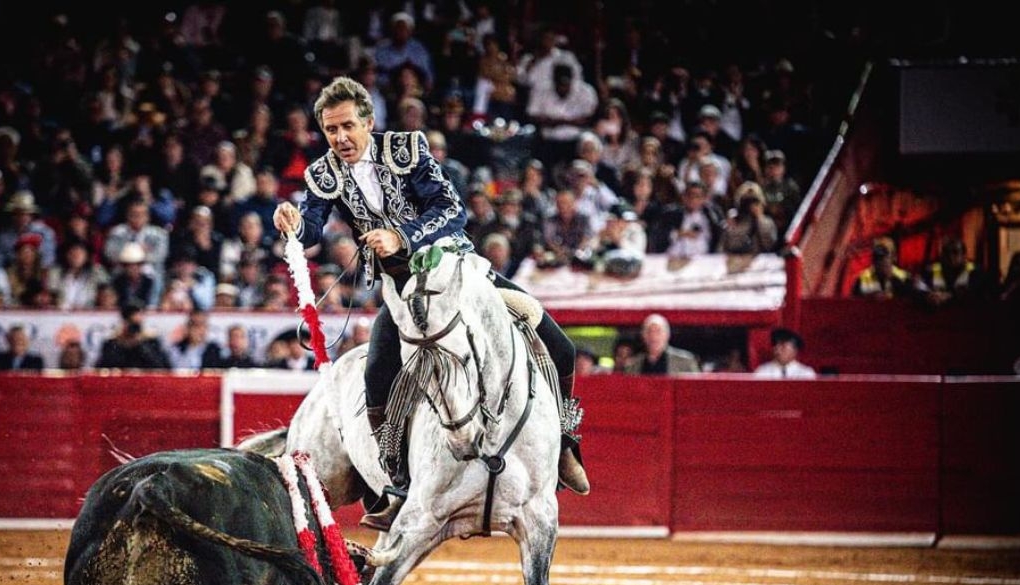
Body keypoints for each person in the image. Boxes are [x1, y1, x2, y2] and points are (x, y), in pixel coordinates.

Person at [273, 76, 588, 530]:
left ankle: (565, 444)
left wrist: (400, 236)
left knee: (559, 346)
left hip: (456, 275)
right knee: (377, 374)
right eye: (330, 130)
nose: (340, 138)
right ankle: (398, 484)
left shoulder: (406, 149)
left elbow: (451, 210)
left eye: (347, 127)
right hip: (400, 292)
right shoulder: (323, 173)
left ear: (368, 122)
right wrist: (292, 222)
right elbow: (311, 231)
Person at [624, 314, 700, 375]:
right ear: (643, 336)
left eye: (658, 331)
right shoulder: (632, 366)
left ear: (667, 335)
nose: (653, 336)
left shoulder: (685, 362)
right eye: (649, 332)